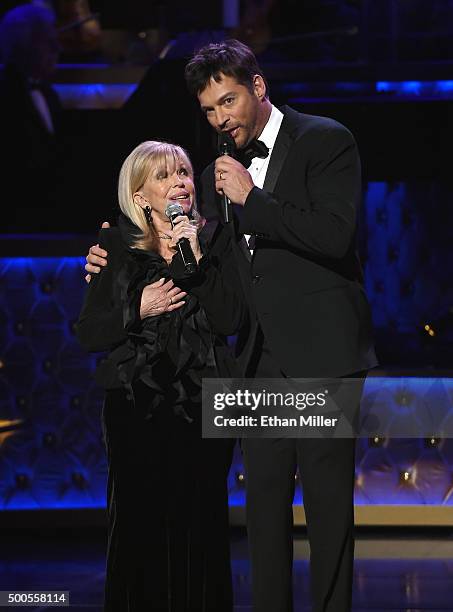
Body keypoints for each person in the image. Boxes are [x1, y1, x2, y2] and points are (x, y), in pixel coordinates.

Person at [85, 40, 378, 612]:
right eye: (210, 111)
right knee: (262, 517)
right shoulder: (213, 170)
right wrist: (105, 257)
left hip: (322, 354)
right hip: (253, 360)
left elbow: (336, 235)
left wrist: (253, 198)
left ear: (258, 87)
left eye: (228, 103)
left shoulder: (325, 139)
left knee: (326, 515)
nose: (220, 119)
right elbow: (197, 250)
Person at [77, 140, 240, 611]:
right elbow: (89, 332)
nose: (180, 184)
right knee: (139, 526)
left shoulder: (215, 242)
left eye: (185, 173)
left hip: (203, 407)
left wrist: (196, 258)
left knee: (201, 524)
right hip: (136, 406)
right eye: (166, 176)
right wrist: (137, 307)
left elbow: (230, 321)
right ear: (141, 194)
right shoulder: (115, 248)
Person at [0, 3, 63, 231]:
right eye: (47, 41)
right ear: (22, 46)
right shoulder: (6, 95)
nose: (57, 47)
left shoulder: (49, 94)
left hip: (49, 215)